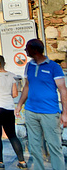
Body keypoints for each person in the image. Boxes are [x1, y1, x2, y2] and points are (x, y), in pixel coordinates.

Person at [15, 39, 67, 170]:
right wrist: (20, 104)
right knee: (34, 145)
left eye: (27, 48)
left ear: (35, 50)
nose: (25, 50)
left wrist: (65, 113)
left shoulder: (54, 67)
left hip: (49, 112)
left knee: (54, 146)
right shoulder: (29, 66)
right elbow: (27, 86)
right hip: (31, 111)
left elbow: (63, 90)